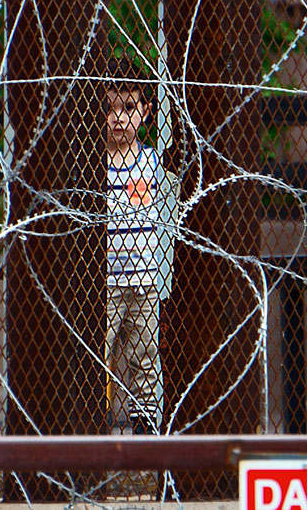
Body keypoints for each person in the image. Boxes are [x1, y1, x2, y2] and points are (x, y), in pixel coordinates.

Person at [105, 58, 164, 435]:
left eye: (128, 108)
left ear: (145, 111)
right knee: (99, 355)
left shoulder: (152, 162)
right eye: (110, 108)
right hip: (105, 282)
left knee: (145, 358)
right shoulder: (94, 163)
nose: (119, 119)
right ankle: (96, 424)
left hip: (144, 279)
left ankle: (146, 431)